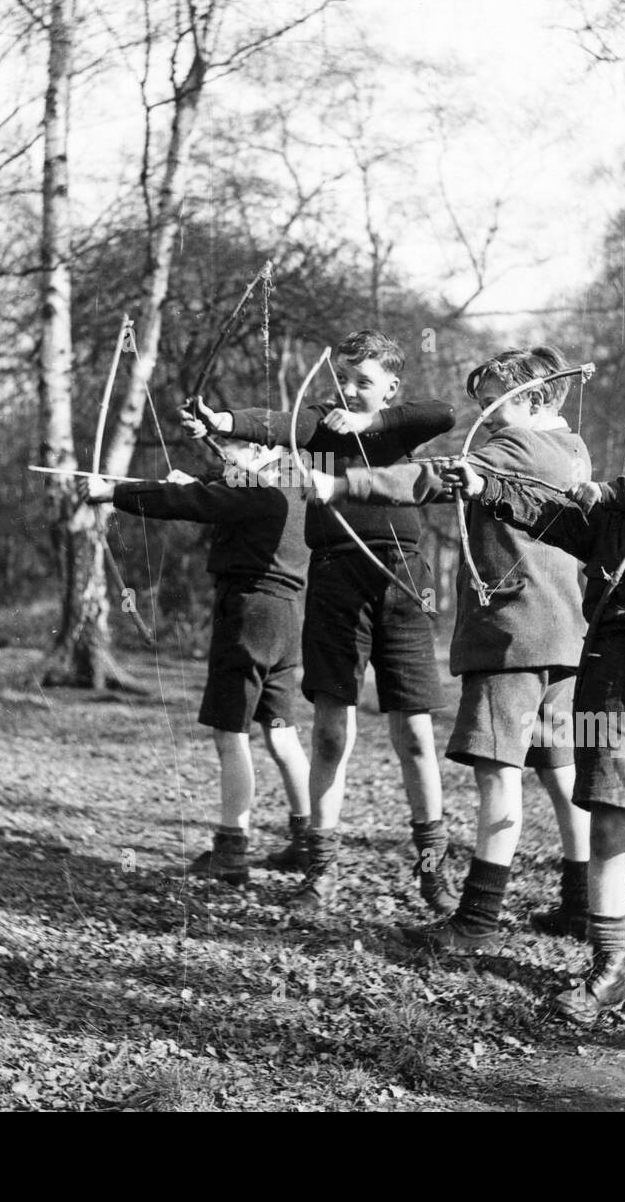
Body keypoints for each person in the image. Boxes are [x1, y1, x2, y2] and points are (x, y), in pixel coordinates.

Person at [459, 410, 625, 1033]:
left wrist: (610, 488)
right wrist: (487, 489)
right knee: (608, 821)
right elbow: (548, 512)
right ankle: (608, 970)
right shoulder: (605, 520)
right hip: (608, 669)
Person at [311, 346, 593, 952]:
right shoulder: (573, 449)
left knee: (499, 774)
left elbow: (429, 475)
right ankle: (582, 905)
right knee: (559, 768)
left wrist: (342, 482)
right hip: (563, 635)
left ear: (538, 399)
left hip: (512, 635)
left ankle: (477, 924)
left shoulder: (515, 447)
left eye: (496, 401)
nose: (484, 416)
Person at [187, 329, 456, 914]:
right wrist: (224, 420)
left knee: (413, 733)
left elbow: (445, 411)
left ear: (391, 387)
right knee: (332, 731)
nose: (350, 392)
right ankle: (321, 871)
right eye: (343, 380)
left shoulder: (398, 425)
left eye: (365, 382)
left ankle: (432, 871)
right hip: (336, 581)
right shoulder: (318, 426)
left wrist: (368, 424)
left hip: (404, 580)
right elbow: (277, 423)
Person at [84, 435, 310, 886]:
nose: (225, 460)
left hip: (248, 613)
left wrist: (112, 492)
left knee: (231, 734)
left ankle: (231, 851)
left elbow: (189, 501)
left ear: (264, 451)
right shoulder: (295, 485)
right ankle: (309, 840)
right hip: (288, 617)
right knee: (281, 733)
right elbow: (213, 492)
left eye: (234, 452)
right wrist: (197, 480)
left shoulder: (258, 488)